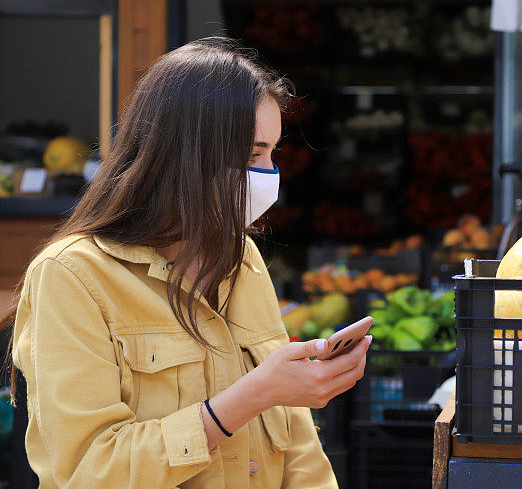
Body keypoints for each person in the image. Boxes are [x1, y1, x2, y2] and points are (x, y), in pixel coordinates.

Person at [3, 38, 368, 487]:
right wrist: (251, 396)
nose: (268, 175)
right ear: (185, 153)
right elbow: (89, 469)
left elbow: (297, 446)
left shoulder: (241, 258)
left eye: (272, 154)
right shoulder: (71, 276)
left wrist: (281, 391)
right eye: (253, 155)